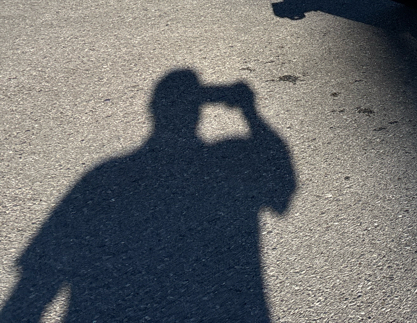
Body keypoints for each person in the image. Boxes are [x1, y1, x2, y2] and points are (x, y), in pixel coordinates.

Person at [0, 70, 296, 323]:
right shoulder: (229, 163)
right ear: (197, 114)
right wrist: (249, 111)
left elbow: (37, 278)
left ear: (153, 111)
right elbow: (282, 186)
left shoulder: (104, 177)